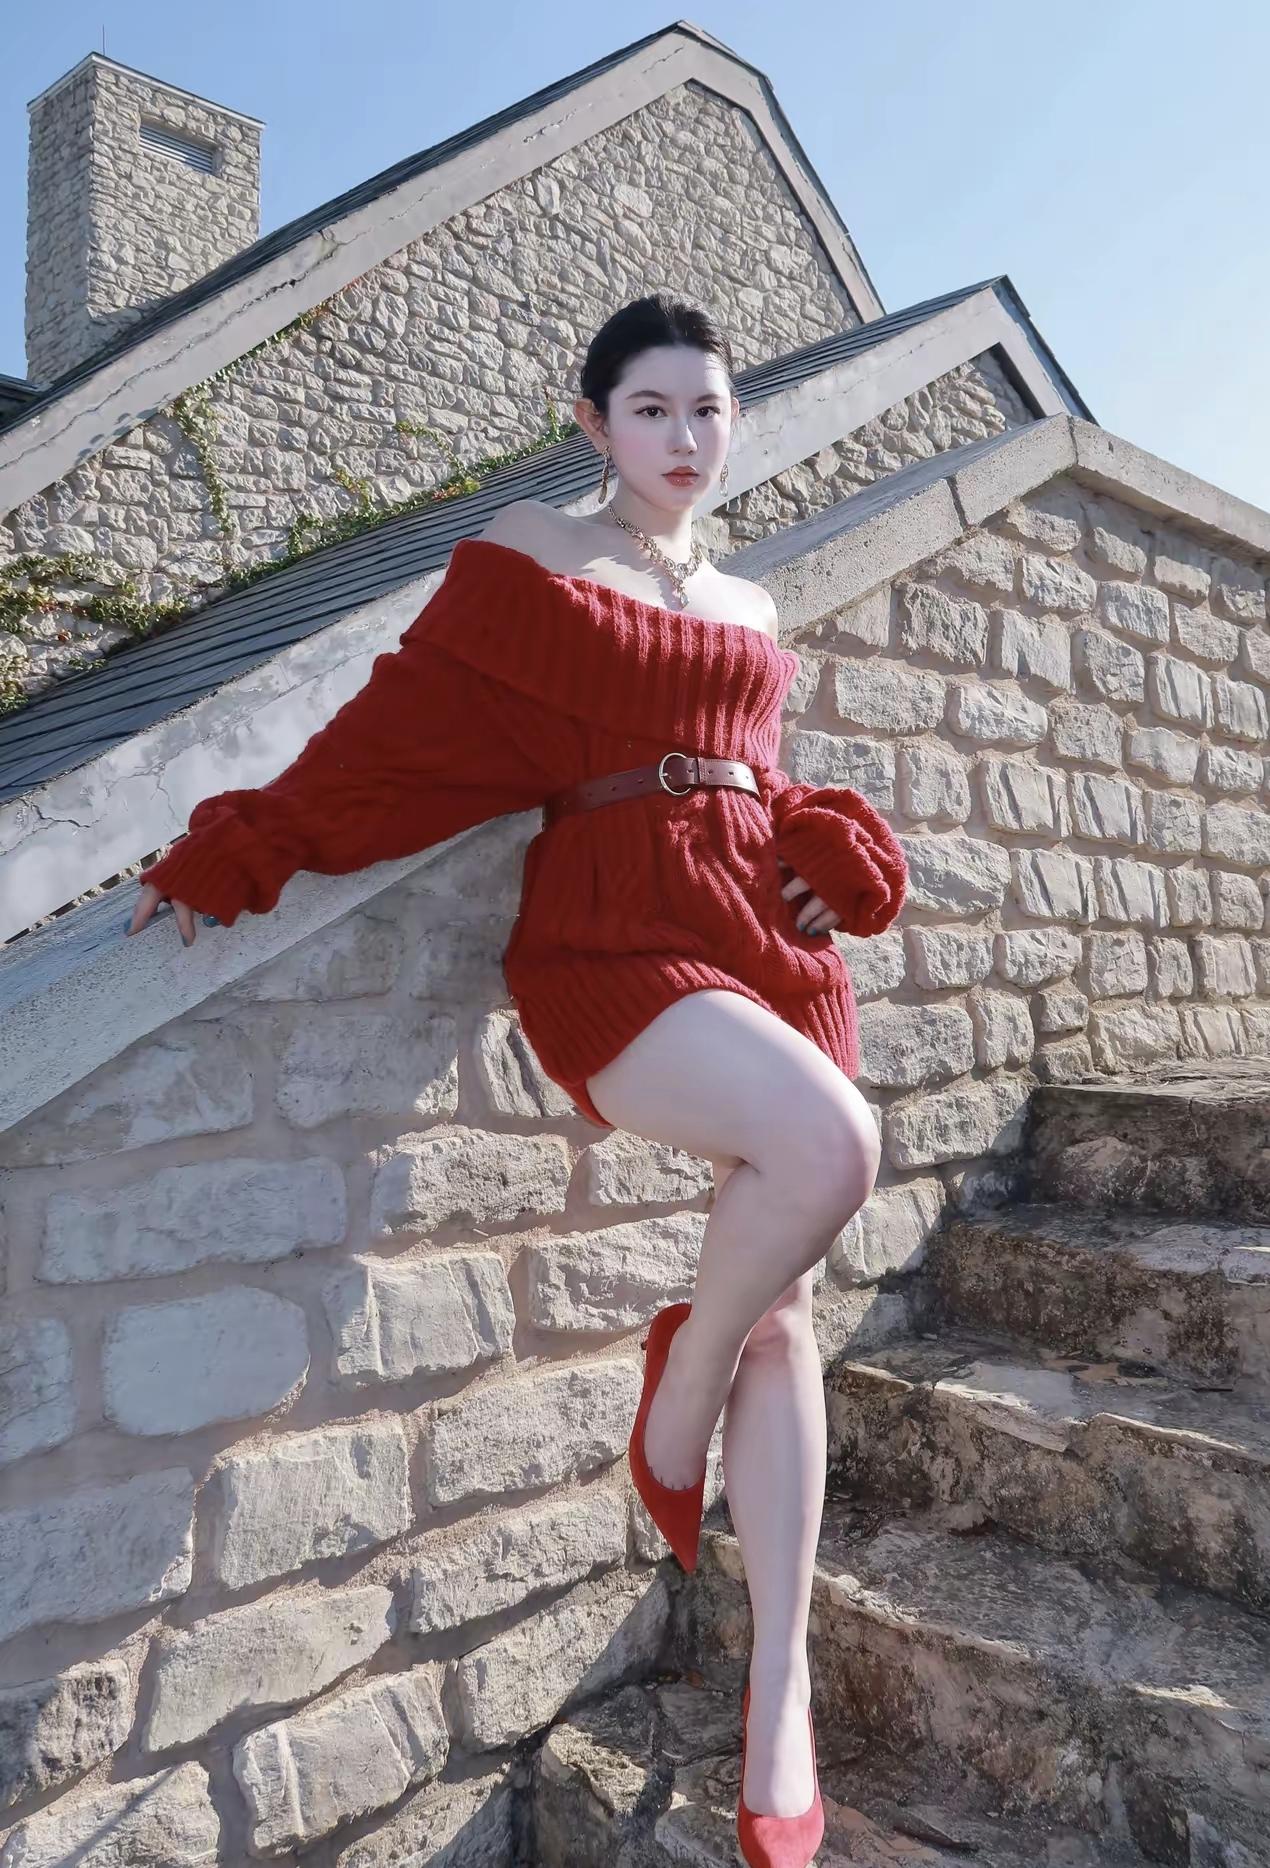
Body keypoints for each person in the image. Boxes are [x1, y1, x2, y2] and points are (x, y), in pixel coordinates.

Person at [128, 293, 906, 1867]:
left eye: (707, 408)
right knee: (831, 1153)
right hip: (619, 935)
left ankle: (780, 1692)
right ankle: (676, 1396)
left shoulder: (749, 603)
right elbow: (399, 733)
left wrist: (825, 842)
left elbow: (758, 776)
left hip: (766, 943)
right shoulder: (533, 557)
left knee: (790, 1313)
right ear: (591, 422)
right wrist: (257, 840)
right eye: (651, 409)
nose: (684, 436)